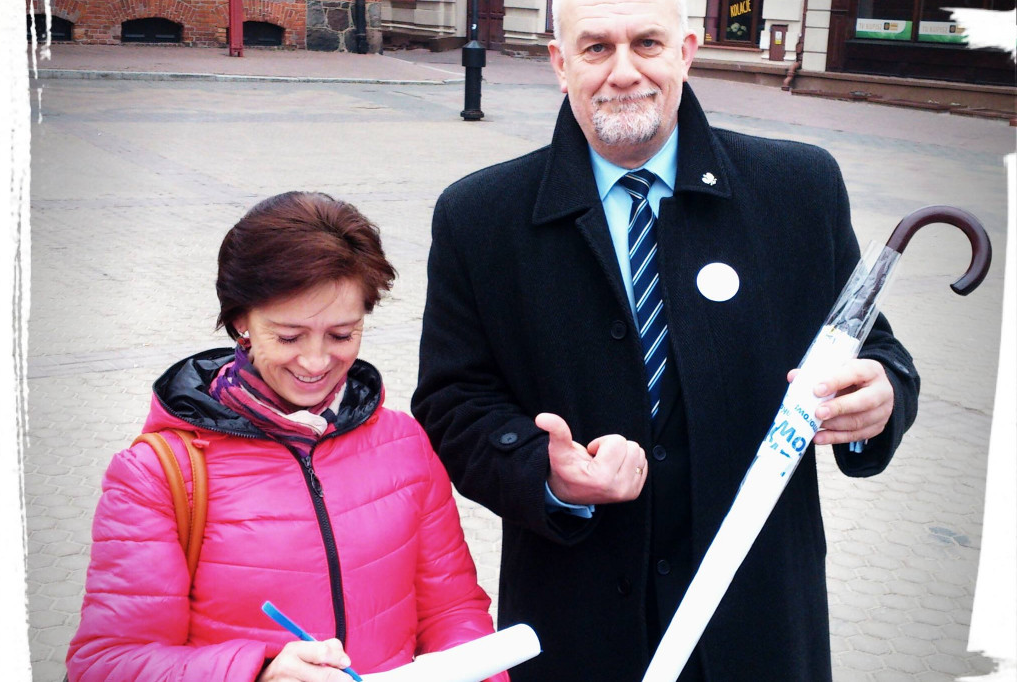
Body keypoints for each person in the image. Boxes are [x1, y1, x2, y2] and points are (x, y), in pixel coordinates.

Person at [410, 0, 920, 679]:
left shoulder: (798, 189)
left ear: (686, 49)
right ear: (560, 65)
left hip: (755, 616)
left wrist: (878, 401)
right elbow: (453, 399)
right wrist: (543, 470)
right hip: (580, 620)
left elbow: (871, 349)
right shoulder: (481, 216)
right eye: (596, 49)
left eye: (647, 43)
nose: (624, 72)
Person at [67, 192, 508, 682]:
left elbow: (454, 613)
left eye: (342, 335)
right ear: (241, 321)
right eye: (289, 336)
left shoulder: (404, 443)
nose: (317, 363)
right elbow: (106, 664)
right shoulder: (155, 475)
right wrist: (259, 673)